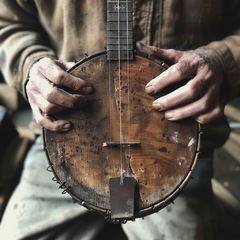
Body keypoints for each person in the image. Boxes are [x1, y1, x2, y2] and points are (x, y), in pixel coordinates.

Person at [0, 0, 240, 239]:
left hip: (176, 149)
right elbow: (7, 23)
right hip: (69, 140)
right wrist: (29, 64)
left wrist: (222, 62)